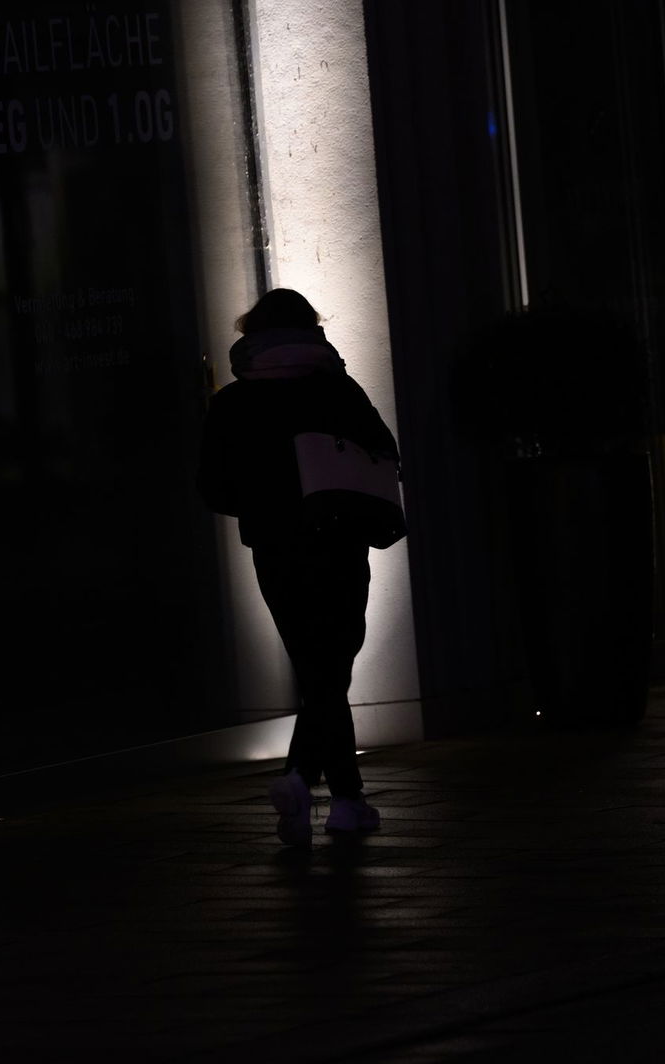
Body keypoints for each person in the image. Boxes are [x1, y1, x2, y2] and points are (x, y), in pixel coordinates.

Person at [197, 288, 398, 846]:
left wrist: (265, 500)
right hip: (338, 538)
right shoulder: (336, 387)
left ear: (250, 334)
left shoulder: (233, 402)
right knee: (332, 664)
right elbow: (384, 451)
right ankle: (333, 794)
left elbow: (213, 488)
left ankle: (311, 784)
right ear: (312, 330)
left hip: (276, 547)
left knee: (315, 665)